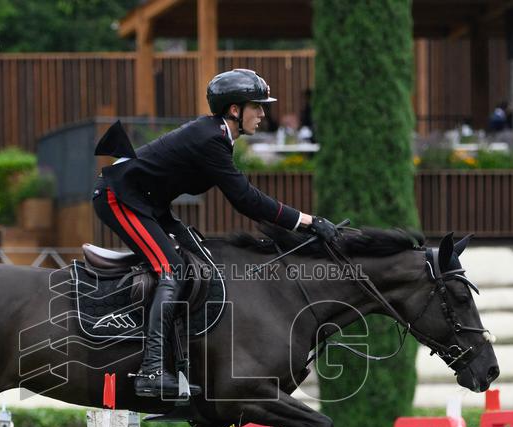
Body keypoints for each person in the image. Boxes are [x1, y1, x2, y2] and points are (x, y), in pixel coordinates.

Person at [91, 68, 338, 399]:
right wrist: (308, 221)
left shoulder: (218, 135)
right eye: (257, 106)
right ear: (234, 110)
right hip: (119, 197)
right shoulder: (212, 139)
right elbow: (246, 200)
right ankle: (151, 370)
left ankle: (182, 358)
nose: (264, 113)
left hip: (149, 204)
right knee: (173, 269)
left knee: (199, 258)